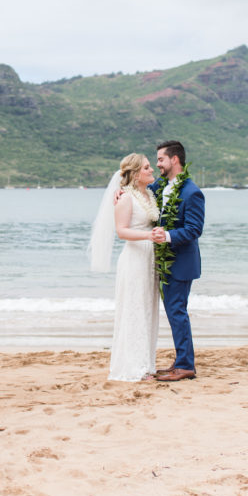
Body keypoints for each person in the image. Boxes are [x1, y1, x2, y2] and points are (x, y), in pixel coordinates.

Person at [89, 153, 160, 381]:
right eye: (147, 167)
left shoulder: (149, 193)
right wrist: (149, 235)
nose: (152, 170)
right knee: (134, 311)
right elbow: (121, 231)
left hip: (150, 259)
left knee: (148, 311)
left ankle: (147, 364)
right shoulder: (125, 198)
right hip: (135, 259)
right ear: (137, 173)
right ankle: (134, 368)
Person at [150, 140, 204, 381]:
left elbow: (194, 229)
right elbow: (141, 192)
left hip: (181, 263)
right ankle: (181, 361)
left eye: (160, 159)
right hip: (165, 261)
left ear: (174, 159)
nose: (157, 164)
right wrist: (123, 191)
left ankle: (185, 365)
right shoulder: (161, 185)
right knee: (174, 312)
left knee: (177, 312)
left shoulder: (192, 192)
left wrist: (167, 236)